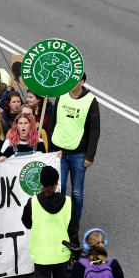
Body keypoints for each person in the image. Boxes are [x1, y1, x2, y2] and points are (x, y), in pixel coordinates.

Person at [21, 165, 78, 278]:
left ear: (41, 183)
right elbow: (73, 229)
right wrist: (74, 251)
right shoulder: (68, 202)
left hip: (42, 255)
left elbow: (27, 223)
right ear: (56, 183)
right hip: (62, 255)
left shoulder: (33, 202)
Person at [49, 73, 99, 223]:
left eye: (75, 80)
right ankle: (60, 221)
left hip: (79, 155)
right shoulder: (62, 95)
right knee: (60, 189)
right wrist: (51, 148)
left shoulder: (91, 101)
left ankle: (74, 222)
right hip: (60, 152)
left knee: (77, 192)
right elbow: (53, 121)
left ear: (82, 82)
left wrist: (90, 156)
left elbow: (94, 130)